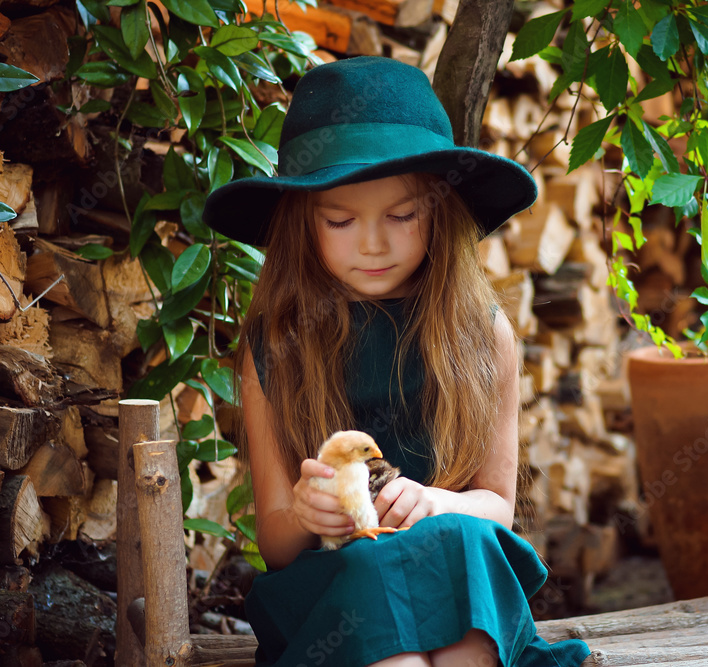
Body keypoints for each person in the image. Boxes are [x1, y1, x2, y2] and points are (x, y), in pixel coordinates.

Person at [203, 56, 591, 667]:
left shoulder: (482, 335)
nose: (374, 243)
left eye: (402, 215)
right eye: (340, 219)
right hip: (338, 589)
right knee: (379, 599)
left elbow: (496, 507)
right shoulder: (276, 345)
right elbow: (277, 545)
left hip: (458, 571)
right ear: (303, 224)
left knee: (459, 544)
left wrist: (438, 502)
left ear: (439, 211)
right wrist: (307, 512)